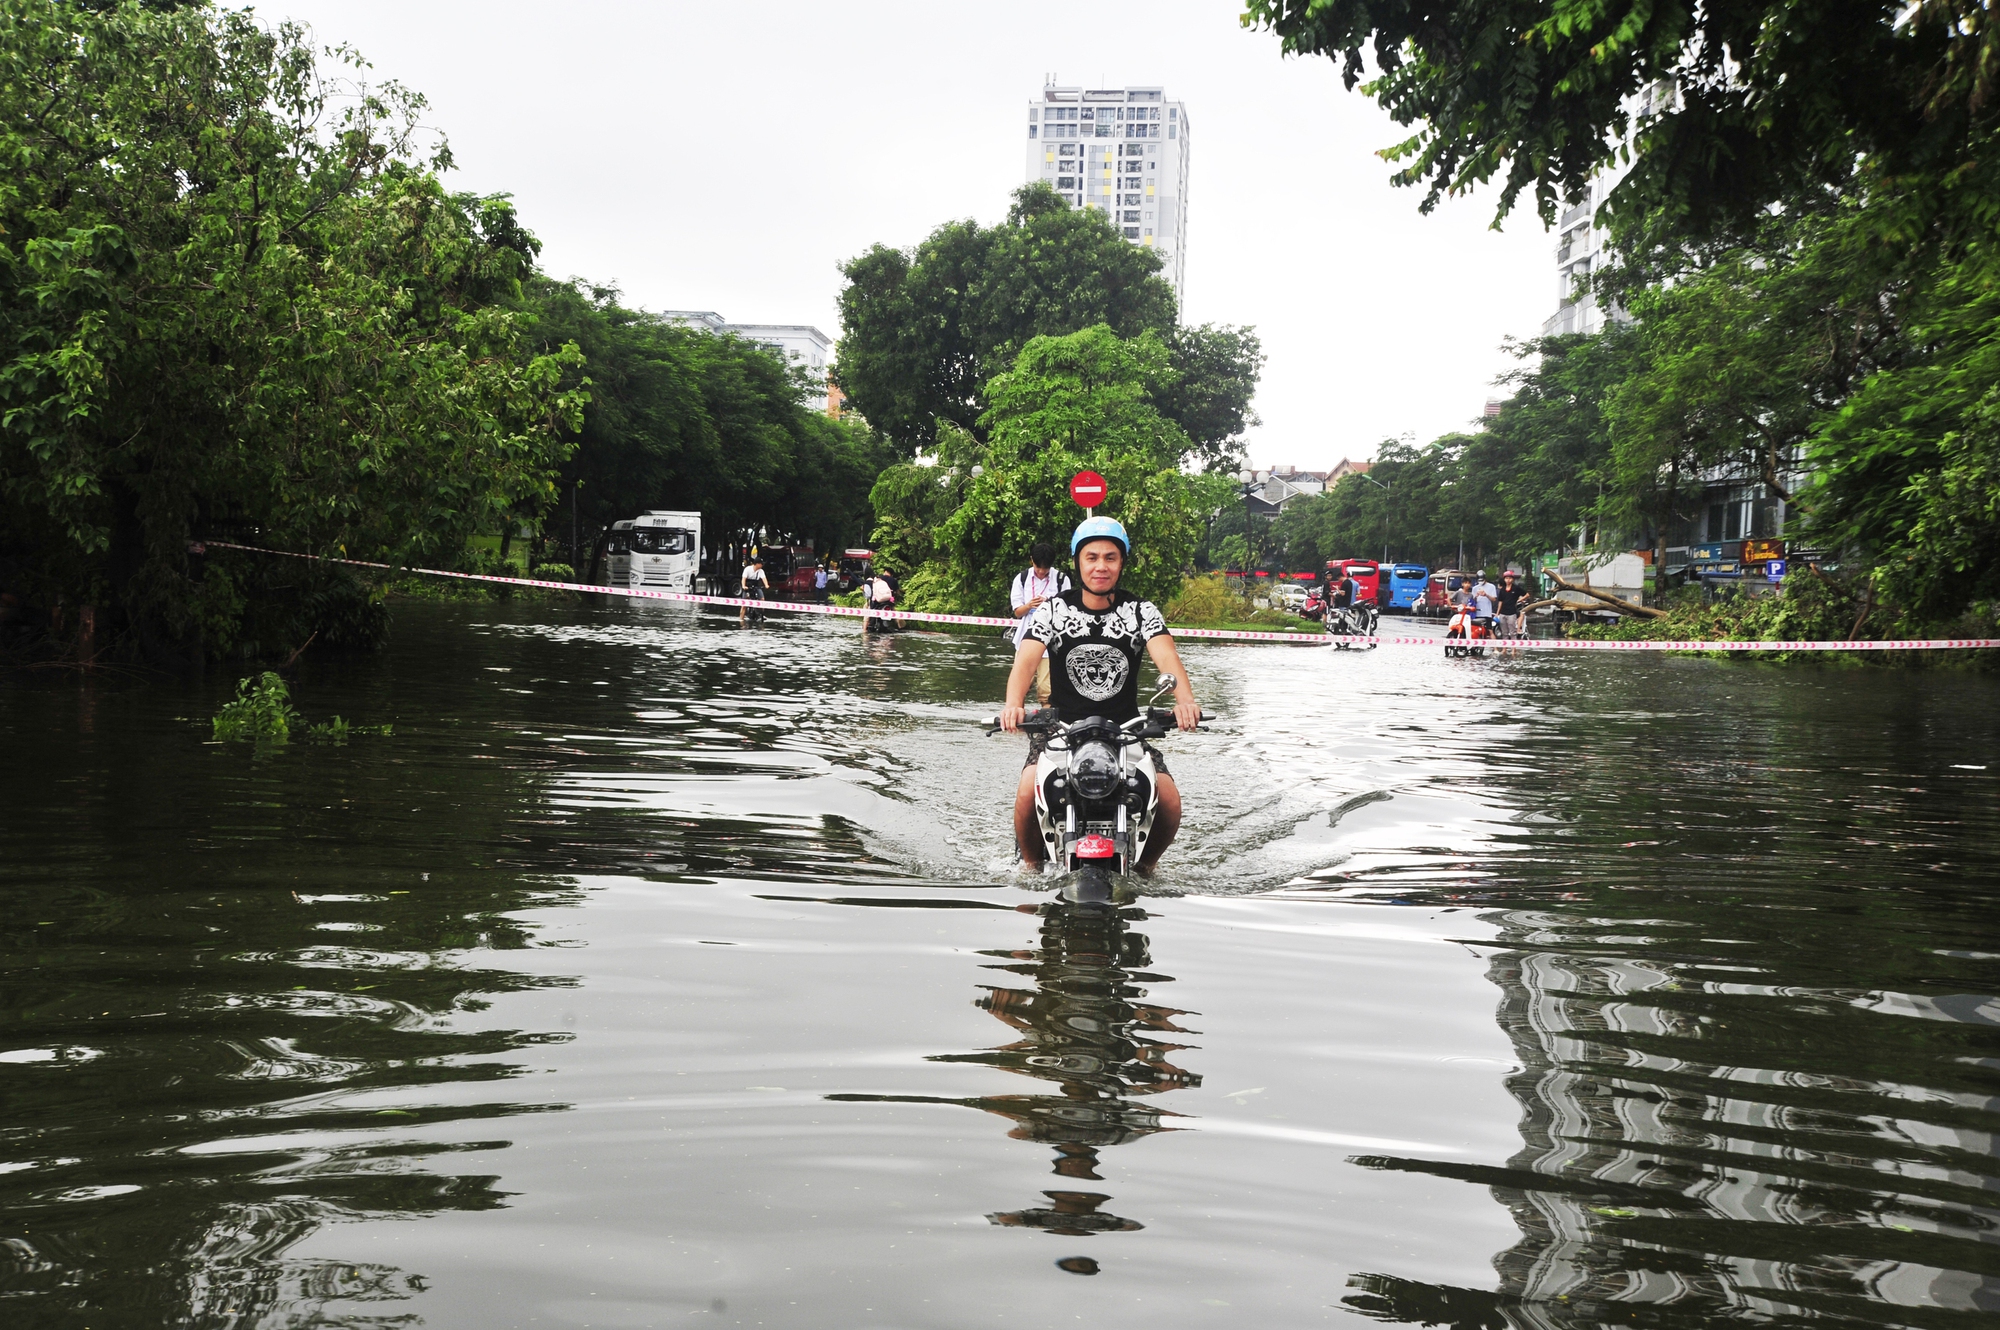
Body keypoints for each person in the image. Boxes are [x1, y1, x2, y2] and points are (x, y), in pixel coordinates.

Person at [1000, 516, 1200, 875]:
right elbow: (1026, 660)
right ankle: (1030, 869)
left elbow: (1167, 657)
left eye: (1110, 557)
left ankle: (1145, 869)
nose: (1100, 566)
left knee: (1169, 802)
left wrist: (1185, 701)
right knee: (1028, 792)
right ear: (1078, 562)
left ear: (1122, 563)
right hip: (1060, 728)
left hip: (1127, 730)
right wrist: (1013, 705)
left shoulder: (1141, 612)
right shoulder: (1052, 609)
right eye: (1091, 557)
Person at [1010, 542, 1072, 704]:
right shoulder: (1022, 579)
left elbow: (1066, 614)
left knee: (1046, 690)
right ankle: (1016, 718)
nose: (1042, 571)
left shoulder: (1061, 580)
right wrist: (1029, 605)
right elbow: (1017, 612)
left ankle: (1047, 723)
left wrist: (1050, 604)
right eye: (1039, 568)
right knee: (1020, 686)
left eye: (1046, 568)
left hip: (1049, 643)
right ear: (1032, 561)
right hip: (1025, 639)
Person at [1495, 570, 1526, 650]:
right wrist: (1497, 613)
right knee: (1504, 633)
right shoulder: (1502, 590)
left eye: (1510, 578)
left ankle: (1513, 650)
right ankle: (1504, 649)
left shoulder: (1516, 588)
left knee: (1513, 633)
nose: (1508, 580)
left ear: (1512, 579)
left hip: (1512, 613)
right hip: (1503, 613)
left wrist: (1520, 600)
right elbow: (1500, 602)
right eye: (1506, 578)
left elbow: (1527, 594)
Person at [861, 566, 897, 633]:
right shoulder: (880, 580)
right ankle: (900, 626)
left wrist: (863, 590)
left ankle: (864, 631)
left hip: (876, 602)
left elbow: (868, 595)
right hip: (888, 601)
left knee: (866, 614)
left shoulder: (868, 582)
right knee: (895, 613)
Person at [739, 554, 768, 624]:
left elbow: (764, 579)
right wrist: (743, 586)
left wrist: (766, 585)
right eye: (761, 564)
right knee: (744, 604)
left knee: (762, 599)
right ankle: (741, 619)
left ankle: (762, 614)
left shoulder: (761, 571)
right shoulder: (747, 569)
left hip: (756, 586)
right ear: (757, 564)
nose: (762, 565)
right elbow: (743, 579)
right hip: (748, 586)